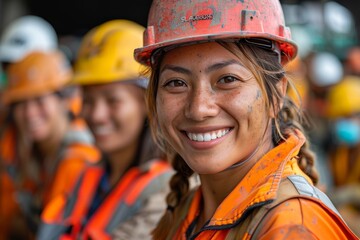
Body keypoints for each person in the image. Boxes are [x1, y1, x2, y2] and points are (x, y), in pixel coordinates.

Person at [133, 0, 359, 239]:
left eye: (228, 79)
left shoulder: (292, 228)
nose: (199, 109)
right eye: (176, 83)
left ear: (277, 94)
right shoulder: (188, 210)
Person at [37, 19, 173, 240]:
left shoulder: (164, 189)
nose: (96, 115)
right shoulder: (88, 176)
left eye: (112, 101)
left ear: (147, 103)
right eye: (88, 101)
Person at [0, 50, 100, 239]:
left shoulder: (76, 160)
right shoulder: (34, 153)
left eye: (39, 100)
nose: (29, 113)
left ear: (64, 100)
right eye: (21, 103)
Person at [325, 76, 360, 236]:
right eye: (340, 117)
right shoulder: (340, 150)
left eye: (349, 116)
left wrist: (349, 194)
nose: (343, 122)